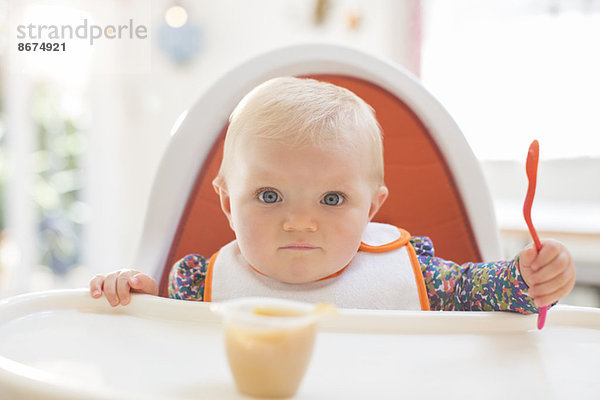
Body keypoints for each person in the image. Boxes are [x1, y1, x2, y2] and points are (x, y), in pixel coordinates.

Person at [90, 77, 575, 313]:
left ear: (372, 208)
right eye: (269, 195)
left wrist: (530, 279)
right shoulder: (195, 286)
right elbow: (160, 355)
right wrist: (139, 305)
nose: (299, 222)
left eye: (332, 200)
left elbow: (486, 294)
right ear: (226, 203)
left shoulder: (417, 273)